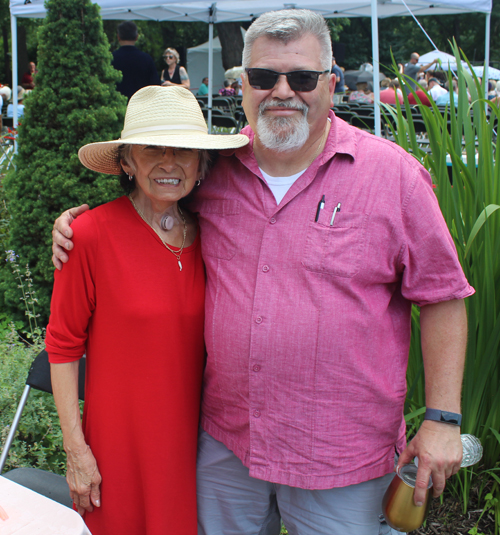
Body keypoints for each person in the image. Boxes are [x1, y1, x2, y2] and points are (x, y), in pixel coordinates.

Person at [52, 9, 473, 535]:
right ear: (242, 82)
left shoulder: (394, 177)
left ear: (331, 82)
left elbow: (442, 296)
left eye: (300, 78)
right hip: (228, 450)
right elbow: (152, 198)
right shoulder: (219, 170)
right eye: (263, 77)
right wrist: (76, 222)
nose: (281, 92)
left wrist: (442, 418)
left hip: (338, 461)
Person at [46, 85, 248, 535]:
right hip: (118, 450)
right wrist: (76, 450)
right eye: (152, 148)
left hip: (200, 449)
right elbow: (61, 348)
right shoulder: (89, 236)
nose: (169, 162)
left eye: (184, 150)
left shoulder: (219, 235)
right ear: (126, 162)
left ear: (202, 165)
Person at [112, 21, 160, 99]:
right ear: (137, 37)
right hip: (141, 106)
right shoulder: (147, 59)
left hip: (116, 106)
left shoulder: (111, 58)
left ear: (118, 37)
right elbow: (155, 87)